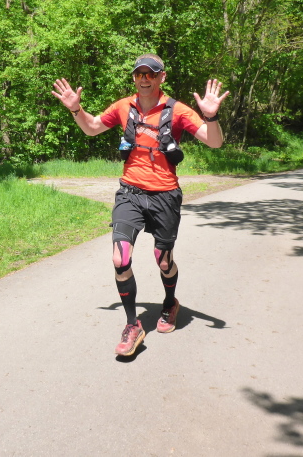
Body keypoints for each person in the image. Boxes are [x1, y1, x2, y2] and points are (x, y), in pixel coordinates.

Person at [51, 54, 229, 356]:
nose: (144, 79)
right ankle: (132, 325)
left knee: (164, 261)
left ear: (162, 77)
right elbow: (92, 127)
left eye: (151, 74)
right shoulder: (124, 106)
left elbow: (215, 142)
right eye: (139, 74)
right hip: (130, 192)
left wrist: (211, 117)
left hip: (165, 195)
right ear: (134, 77)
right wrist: (76, 109)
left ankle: (170, 303)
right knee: (120, 258)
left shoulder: (178, 110)